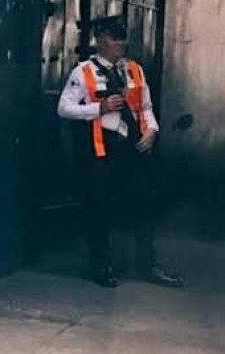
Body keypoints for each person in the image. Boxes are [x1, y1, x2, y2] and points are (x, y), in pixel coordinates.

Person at [57, 15, 182, 288]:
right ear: (100, 41)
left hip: (131, 147)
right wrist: (97, 109)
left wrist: (151, 131)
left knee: (147, 200)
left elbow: (146, 108)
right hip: (101, 149)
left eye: (123, 39)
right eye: (115, 40)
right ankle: (101, 265)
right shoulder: (84, 72)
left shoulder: (134, 71)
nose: (121, 45)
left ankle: (147, 265)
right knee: (99, 205)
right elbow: (63, 108)